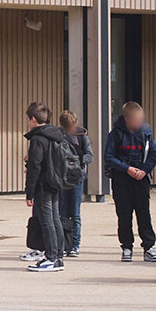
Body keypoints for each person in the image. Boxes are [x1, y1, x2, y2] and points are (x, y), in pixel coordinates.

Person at [103, 101, 156, 262]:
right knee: (124, 215)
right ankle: (127, 247)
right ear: (127, 119)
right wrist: (126, 168)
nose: (139, 122)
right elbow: (109, 156)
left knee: (144, 214)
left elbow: (153, 155)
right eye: (135, 119)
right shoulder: (116, 134)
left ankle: (148, 247)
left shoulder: (146, 134)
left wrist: (144, 170)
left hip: (141, 179)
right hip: (121, 179)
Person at [22, 102, 71, 273]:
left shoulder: (38, 139)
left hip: (43, 185)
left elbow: (35, 166)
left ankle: (51, 257)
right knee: (55, 219)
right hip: (56, 182)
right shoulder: (57, 135)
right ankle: (58, 256)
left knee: (47, 221)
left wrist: (29, 192)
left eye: (28, 119)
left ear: (33, 119)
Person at [57, 110, 92, 259]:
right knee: (63, 212)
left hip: (77, 178)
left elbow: (90, 155)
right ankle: (65, 243)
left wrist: (77, 160)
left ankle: (75, 244)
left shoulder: (82, 136)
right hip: (63, 178)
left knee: (75, 213)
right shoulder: (59, 136)